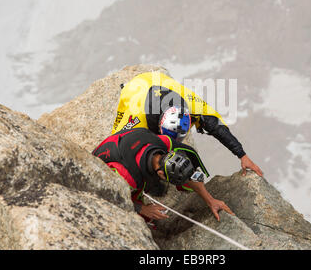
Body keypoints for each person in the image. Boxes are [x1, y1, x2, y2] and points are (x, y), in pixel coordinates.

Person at [111, 71, 263, 177]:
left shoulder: (194, 106)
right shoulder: (137, 115)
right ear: (159, 125)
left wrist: (242, 155)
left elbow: (218, 127)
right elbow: (116, 142)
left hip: (160, 80)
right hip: (137, 87)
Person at [92, 127, 234, 222]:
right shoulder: (128, 176)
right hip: (105, 159)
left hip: (129, 142)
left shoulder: (163, 142)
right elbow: (110, 196)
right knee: (141, 215)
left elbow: (188, 166)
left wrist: (210, 201)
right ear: (161, 174)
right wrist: (142, 209)